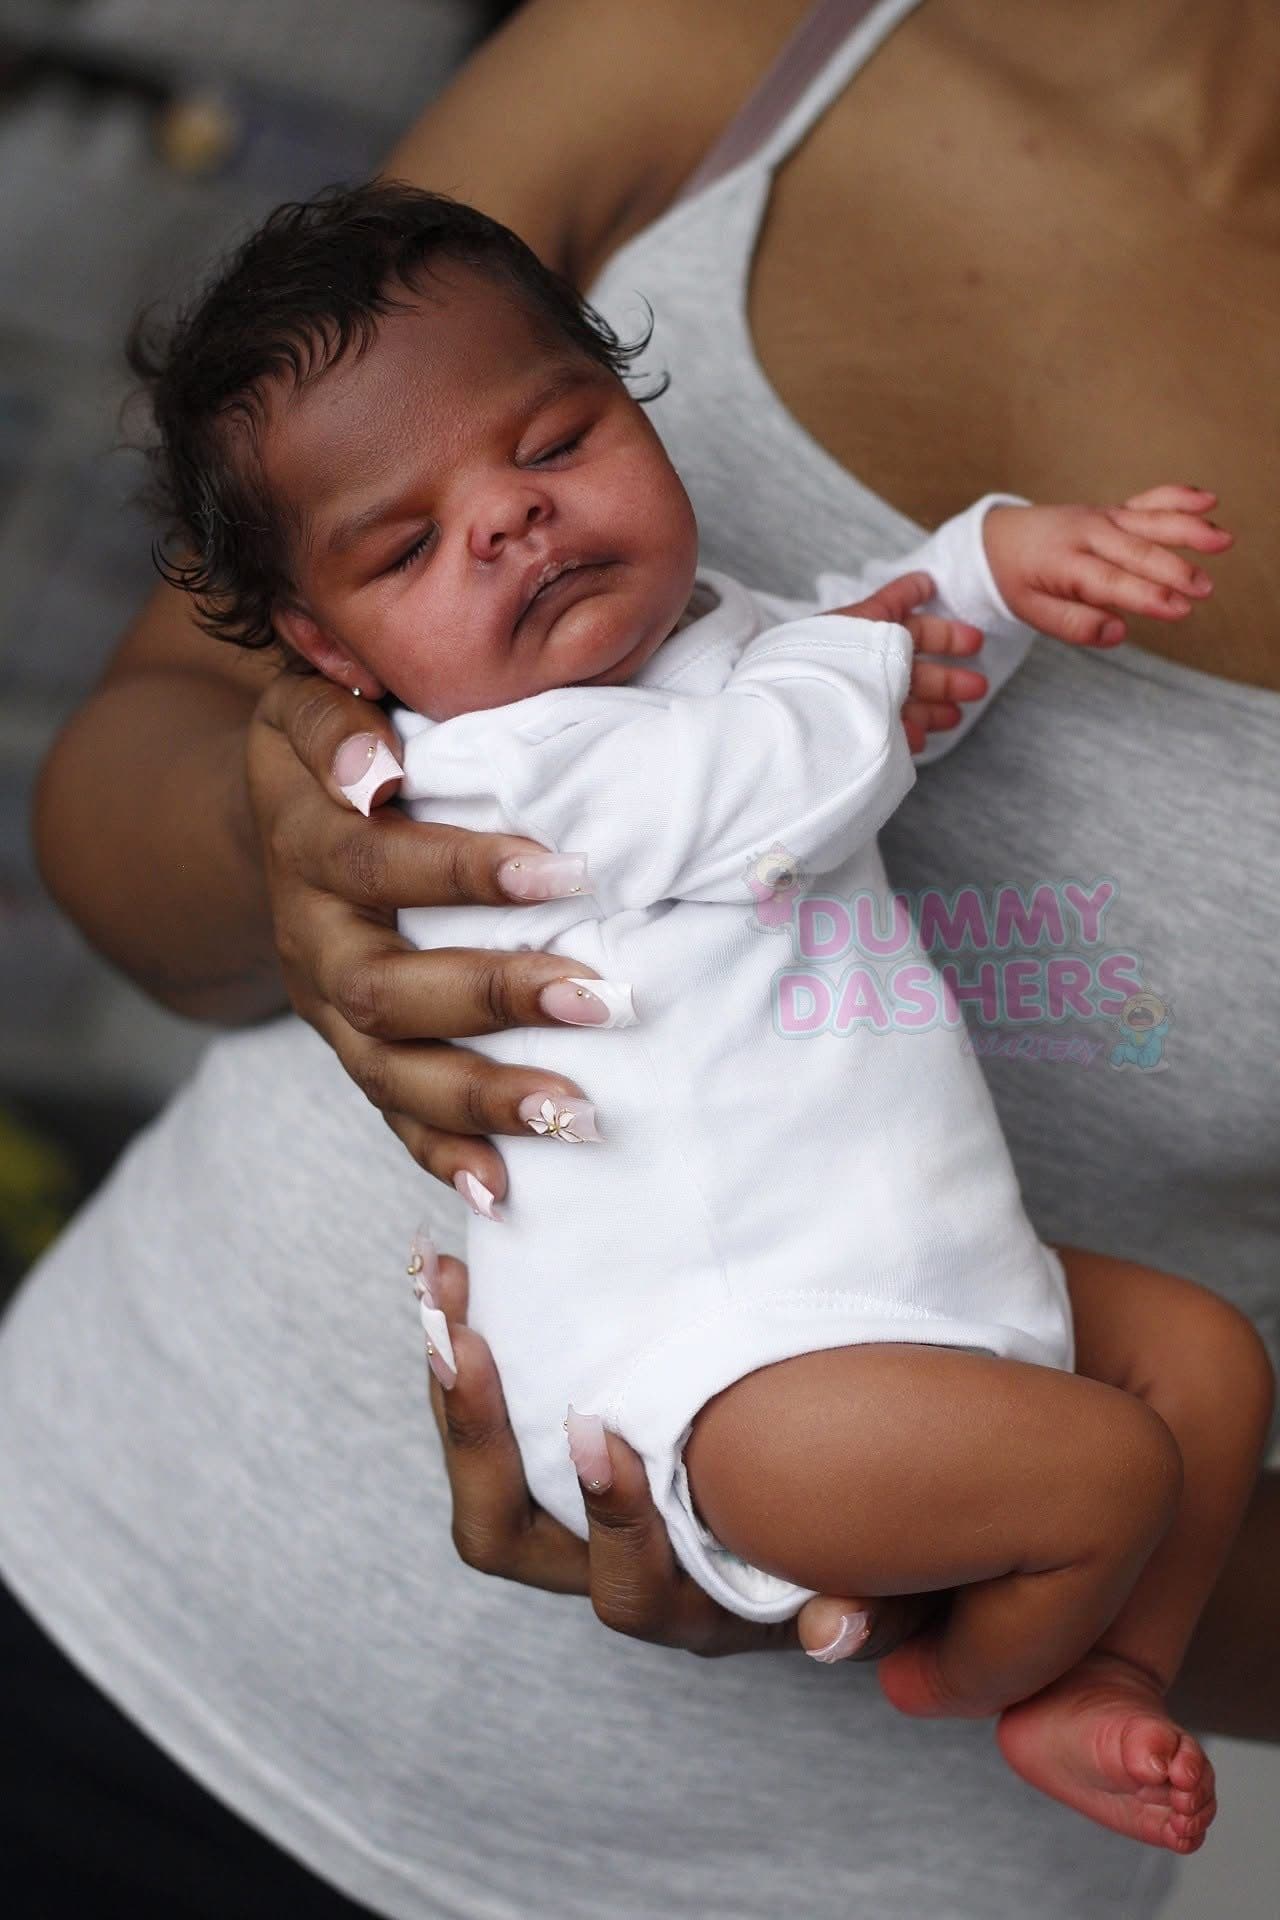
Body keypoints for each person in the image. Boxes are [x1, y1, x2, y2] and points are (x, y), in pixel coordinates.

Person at [4, 1, 1278, 1915]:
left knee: (1203, 1370)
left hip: (888, 1469)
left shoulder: (706, 646)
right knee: (1114, 1472)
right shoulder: (496, 768)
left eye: (557, 439)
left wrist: (988, 579)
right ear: (331, 656)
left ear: (633, 397)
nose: (509, 510)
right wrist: (272, 840)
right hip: (661, 1384)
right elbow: (805, 750)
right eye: (409, 546)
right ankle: (987, 1664)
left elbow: (852, 656)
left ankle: (1081, 1668)